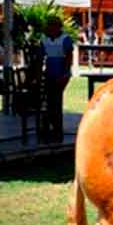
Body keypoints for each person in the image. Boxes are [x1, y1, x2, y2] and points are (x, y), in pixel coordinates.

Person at [39, 15, 75, 143]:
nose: (50, 28)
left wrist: (64, 74)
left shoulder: (65, 39)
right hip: (49, 73)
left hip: (61, 74)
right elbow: (40, 56)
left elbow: (69, 57)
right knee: (50, 103)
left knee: (56, 102)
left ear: (58, 27)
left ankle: (57, 131)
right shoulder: (44, 40)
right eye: (49, 26)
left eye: (53, 26)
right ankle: (50, 129)